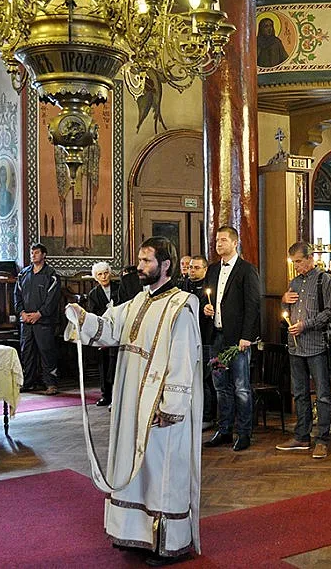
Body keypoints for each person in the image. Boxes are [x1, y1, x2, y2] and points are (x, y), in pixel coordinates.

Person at [65, 237, 202, 567]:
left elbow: (184, 359)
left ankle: (167, 543)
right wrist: (83, 318)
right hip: (130, 402)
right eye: (140, 260)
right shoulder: (137, 301)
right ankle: (138, 535)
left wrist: (171, 406)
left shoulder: (181, 307)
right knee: (133, 467)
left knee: (161, 471)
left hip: (160, 408)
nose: (140, 267)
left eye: (146, 261)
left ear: (164, 265)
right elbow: (110, 328)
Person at [276, 242, 331, 459]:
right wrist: (284, 302)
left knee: (322, 394)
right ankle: (302, 436)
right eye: (294, 262)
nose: (297, 266)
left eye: (299, 262)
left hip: (316, 345)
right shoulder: (294, 282)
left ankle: (322, 438)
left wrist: (307, 324)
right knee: (300, 393)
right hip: (295, 346)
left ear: (310, 258)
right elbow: (286, 310)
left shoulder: (325, 280)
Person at [203, 226, 261, 452]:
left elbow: (253, 305)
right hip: (216, 335)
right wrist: (205, 307)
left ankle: (244, 432)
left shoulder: (247, 270)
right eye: (217, 240)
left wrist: (247, 336)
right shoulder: (213, 270)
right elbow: (206, 296)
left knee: (241, 387)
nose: (219, 244)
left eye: (223, 240)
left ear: (235, 243)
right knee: (221, 387)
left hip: (238, 339)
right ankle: (225, 429)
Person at [15, 243, 61, 395]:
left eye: (36, 253)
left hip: (44, 321)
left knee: (46, 352)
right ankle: (28, 383)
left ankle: (51, 384)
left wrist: (40, 314)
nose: (33, 255)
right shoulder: (23, 274)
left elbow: (52, 299)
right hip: (26, 321)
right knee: (26, 352)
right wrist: (21, 313)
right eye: (32, 253)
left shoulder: (51, 275)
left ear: (44, 255)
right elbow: (17, 296)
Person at [181, 255, 214, 428]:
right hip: (187, 338)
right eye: (190, 267)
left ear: (205, 269)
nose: (192, 270)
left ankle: (207, 416)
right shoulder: (183, 285)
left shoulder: (209, 287)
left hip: (205, 337)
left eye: (196, 268)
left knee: (205, 379)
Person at [86, 261, 119, 407]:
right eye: (100, 274)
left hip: (119, 329)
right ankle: (106, 395)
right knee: (104, 364)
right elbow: (93, 314)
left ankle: (119, 396)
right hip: (104, 332)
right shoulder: (93, 294)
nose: (104, 276)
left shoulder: (119, 288)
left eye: (106, 273)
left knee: (117, 364)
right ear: (96, 277)